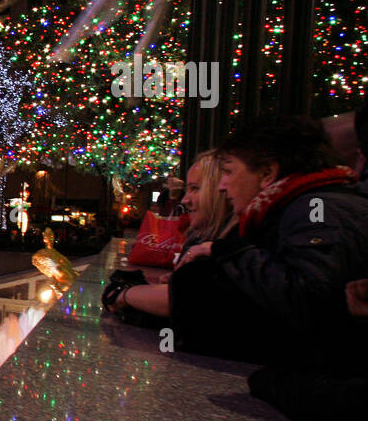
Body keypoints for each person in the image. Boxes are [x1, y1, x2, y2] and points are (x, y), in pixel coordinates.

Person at [169, 118, 368, 365]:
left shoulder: (315, 208)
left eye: (228, 171)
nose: (222, 186)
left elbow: (312, 300)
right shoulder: (308, 204)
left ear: (267, 174)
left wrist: (227, 252)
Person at [104, 150, 236, 321]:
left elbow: (190, 300)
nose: (185, 200)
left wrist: (123, 294)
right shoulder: (208, 241)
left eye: (195, 189)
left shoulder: (230, 247)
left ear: (221, 191)